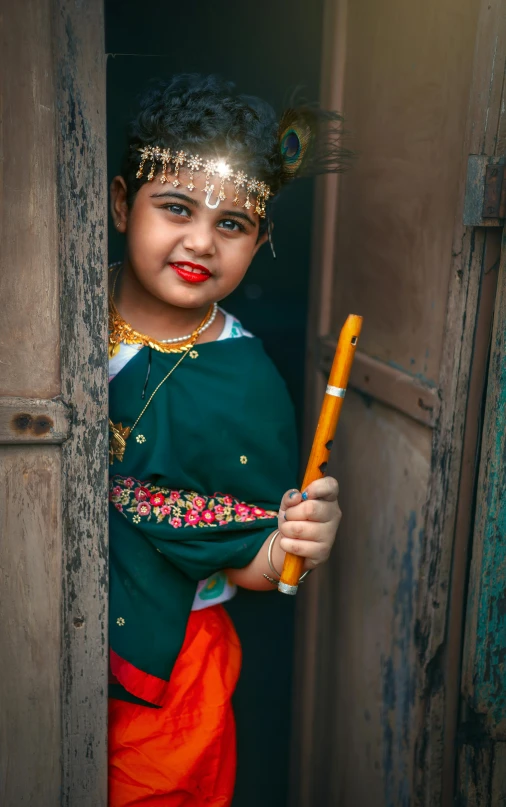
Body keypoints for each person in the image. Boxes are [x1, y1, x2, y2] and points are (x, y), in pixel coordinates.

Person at [107, 73, 349, 806]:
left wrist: (299, 542)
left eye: (233, 225)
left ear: (261, 238)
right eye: (175, 208)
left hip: (178, 661)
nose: (200, 242)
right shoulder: (43, 313)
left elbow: (254, 557)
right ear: (122, 203)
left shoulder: (245, 380)